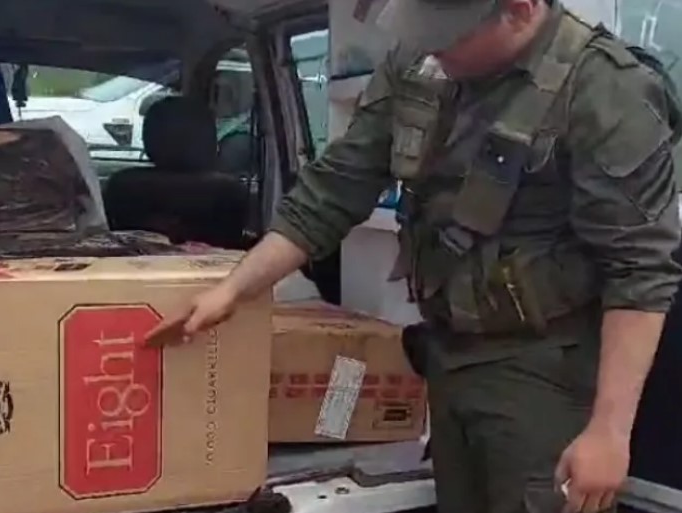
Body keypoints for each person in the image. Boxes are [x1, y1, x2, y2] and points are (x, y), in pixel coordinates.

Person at [145, 0, 682, 512]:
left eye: (448, 32)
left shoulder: (606, 90)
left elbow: (639, 269)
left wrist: (609, 432)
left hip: (546, 372)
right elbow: (335, 188)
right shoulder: (420, 61)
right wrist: (233, 291)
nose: (430, 45)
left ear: (519, 11)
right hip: (446, 354)